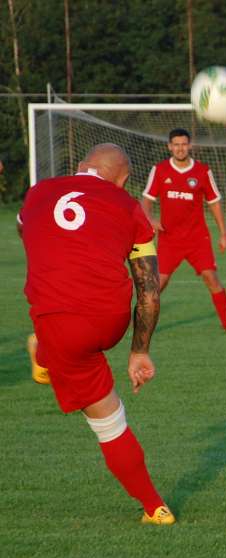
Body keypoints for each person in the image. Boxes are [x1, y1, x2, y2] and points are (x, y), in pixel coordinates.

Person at [18, 143, 175, 524]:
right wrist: (140, 351)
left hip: (60, 320)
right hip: (111, 318)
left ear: (80, 166)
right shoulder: (128, 206)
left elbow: (26, 231)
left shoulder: (38, 192)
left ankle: (156, 508)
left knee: (107, 420)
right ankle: (45, 353)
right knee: (69, 348)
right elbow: (149, 292)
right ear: (121, 181)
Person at [141, 128, 226, 333]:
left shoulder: (202, 171)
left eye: (184, 144)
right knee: (158, 284)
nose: (180, 148)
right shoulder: (160, 170)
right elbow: (146, 200)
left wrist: (224, 234)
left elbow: (214, 202)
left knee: (211, 277)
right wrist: (150, 219)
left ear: (190, 146)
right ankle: (143, 323)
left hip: (197, 238)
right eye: (176, 144)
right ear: (169, 146)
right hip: (169, 239)